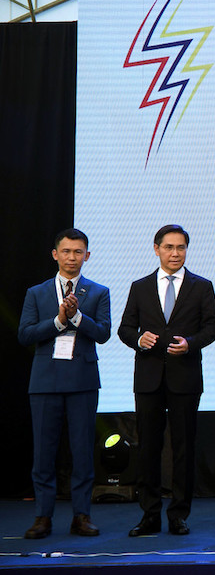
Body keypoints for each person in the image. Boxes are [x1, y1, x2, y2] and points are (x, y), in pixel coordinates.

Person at [119, 224, 215, 537]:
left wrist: (191, 343)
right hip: (148, 378)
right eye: (169, 247)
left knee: (183, 448)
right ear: (156, 249)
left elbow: (212, 327)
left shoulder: (201, 286)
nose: (175, 253)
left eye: (180, 248)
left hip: (185, 377)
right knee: (148, 448)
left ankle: (179, 514)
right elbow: (125, 329)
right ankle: (149, 515)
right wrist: (139, 339)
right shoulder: (140, 286)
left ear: (186, 250)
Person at [17, 228, 111, 539]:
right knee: (44, 453)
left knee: (83, 452)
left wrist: (77, 318)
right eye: (66, 251)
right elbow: (25, 334)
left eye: (78, 252)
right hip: (45, 381)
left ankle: (81, 516)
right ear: (55, 254)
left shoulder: (98, 292)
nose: (72, 257)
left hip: (82, 381)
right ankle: (43, 516)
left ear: (87, 255)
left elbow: (103, 333)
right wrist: (58, 321)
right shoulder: (37, 292)